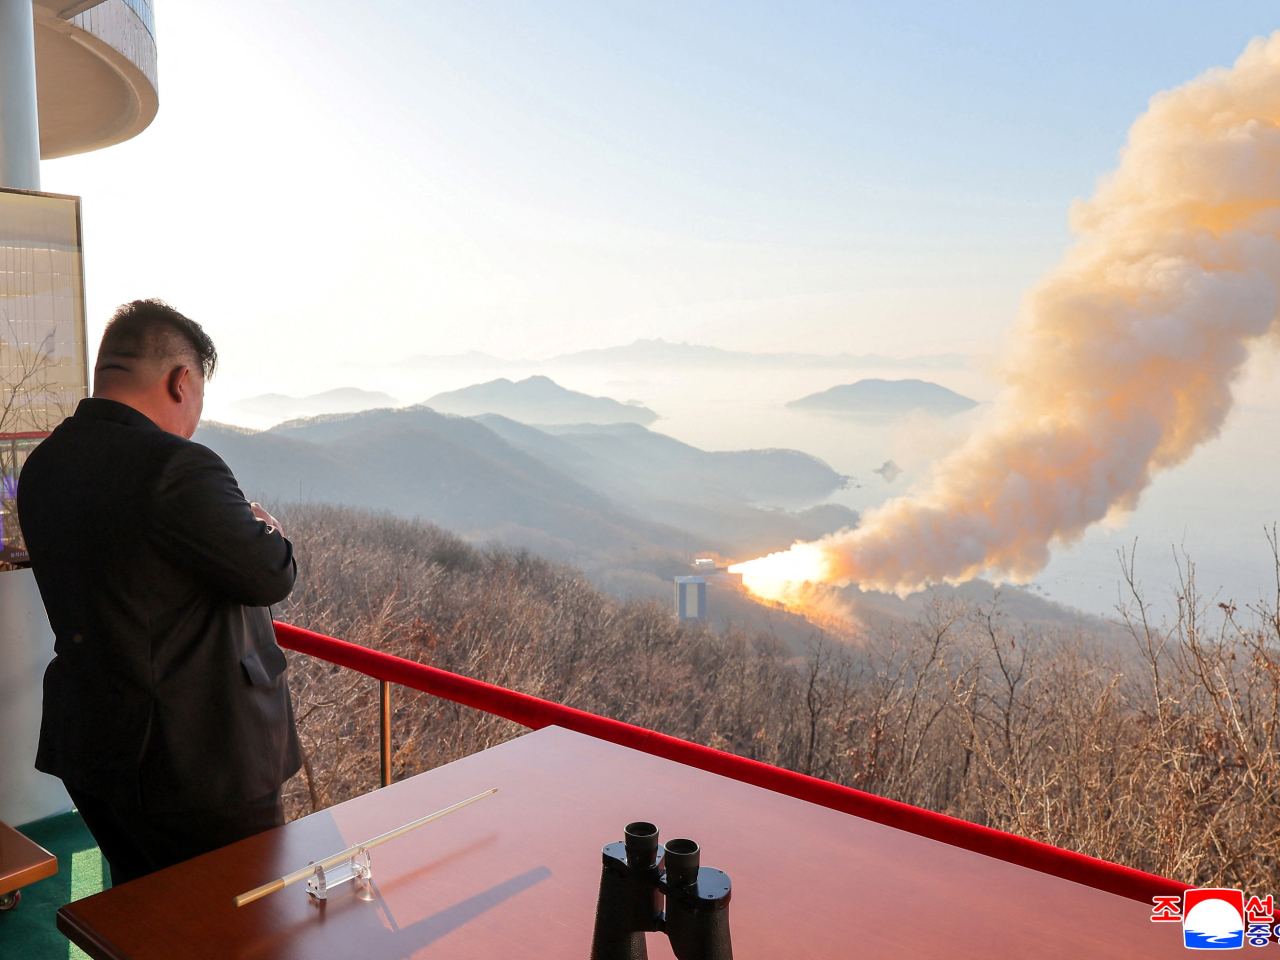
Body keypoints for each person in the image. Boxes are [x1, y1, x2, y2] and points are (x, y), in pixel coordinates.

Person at [16, 299, 301, 886]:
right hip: (200, 757)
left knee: (142, 906)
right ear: (181, 381)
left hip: (98, 742)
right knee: (240, 919)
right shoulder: (178, 468)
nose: (195, 416)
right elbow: (271, 573)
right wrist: (266, 526)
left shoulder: (45, 465)